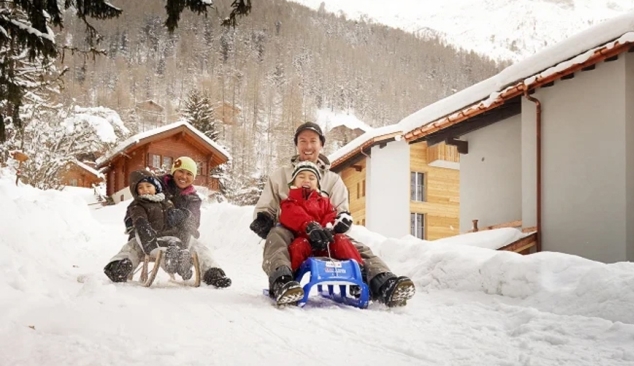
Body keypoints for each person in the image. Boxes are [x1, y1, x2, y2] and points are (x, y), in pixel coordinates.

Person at [250, 122, 415, 306]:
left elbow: (339, 211)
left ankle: (383, 282)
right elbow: (269, 207)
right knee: (277, 235)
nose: (308, 146)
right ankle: (282, 281)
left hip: (325, 234)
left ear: (321, 145)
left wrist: (341, 222)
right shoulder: (280, 176)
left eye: (313, 141)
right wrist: (263, 218)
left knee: (354, 245)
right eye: (303, 141)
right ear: (296, 144)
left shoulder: (333, 180)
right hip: (292, 233)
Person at [104, 157, 231, 288]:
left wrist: (184, 217)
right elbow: (137, 205)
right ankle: (120, 266)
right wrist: (135, 227)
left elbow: (194, 223)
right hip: (150, 231)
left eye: (189, 174)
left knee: (198, 247)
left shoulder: (193, 199)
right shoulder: (154, 185)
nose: (184, 176)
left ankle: (212, 272)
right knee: (134, 245)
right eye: (180, 171)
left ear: (193, 178)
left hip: (176, 234)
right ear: (173, 171)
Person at [276, 161, 364, 302]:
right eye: (301, 177)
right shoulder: (290, 202)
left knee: (342, 240)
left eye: (311, 178)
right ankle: (290, 281)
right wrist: (309, 225)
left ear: (317, 184)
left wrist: (337, 224)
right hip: (305, 241)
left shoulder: (324, 201)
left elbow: (331, 215)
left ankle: (359, 274)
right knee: (298, 245)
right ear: (293, 181)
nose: (306, 180)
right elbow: (292, 215)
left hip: (326, 244)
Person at [103, 170, 194, 282]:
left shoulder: (167, 203)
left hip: (168, 237)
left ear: (156, 187)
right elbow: (141, 222)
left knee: (174, 246)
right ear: (136, 191)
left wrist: (184, 215)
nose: (145, 190)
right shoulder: (138, 205)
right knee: (134, 248)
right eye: (140, 188)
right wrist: (150, 245)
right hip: (148, 238)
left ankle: (182, 262)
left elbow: (176, 220)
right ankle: (119, 267)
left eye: (148, 186)